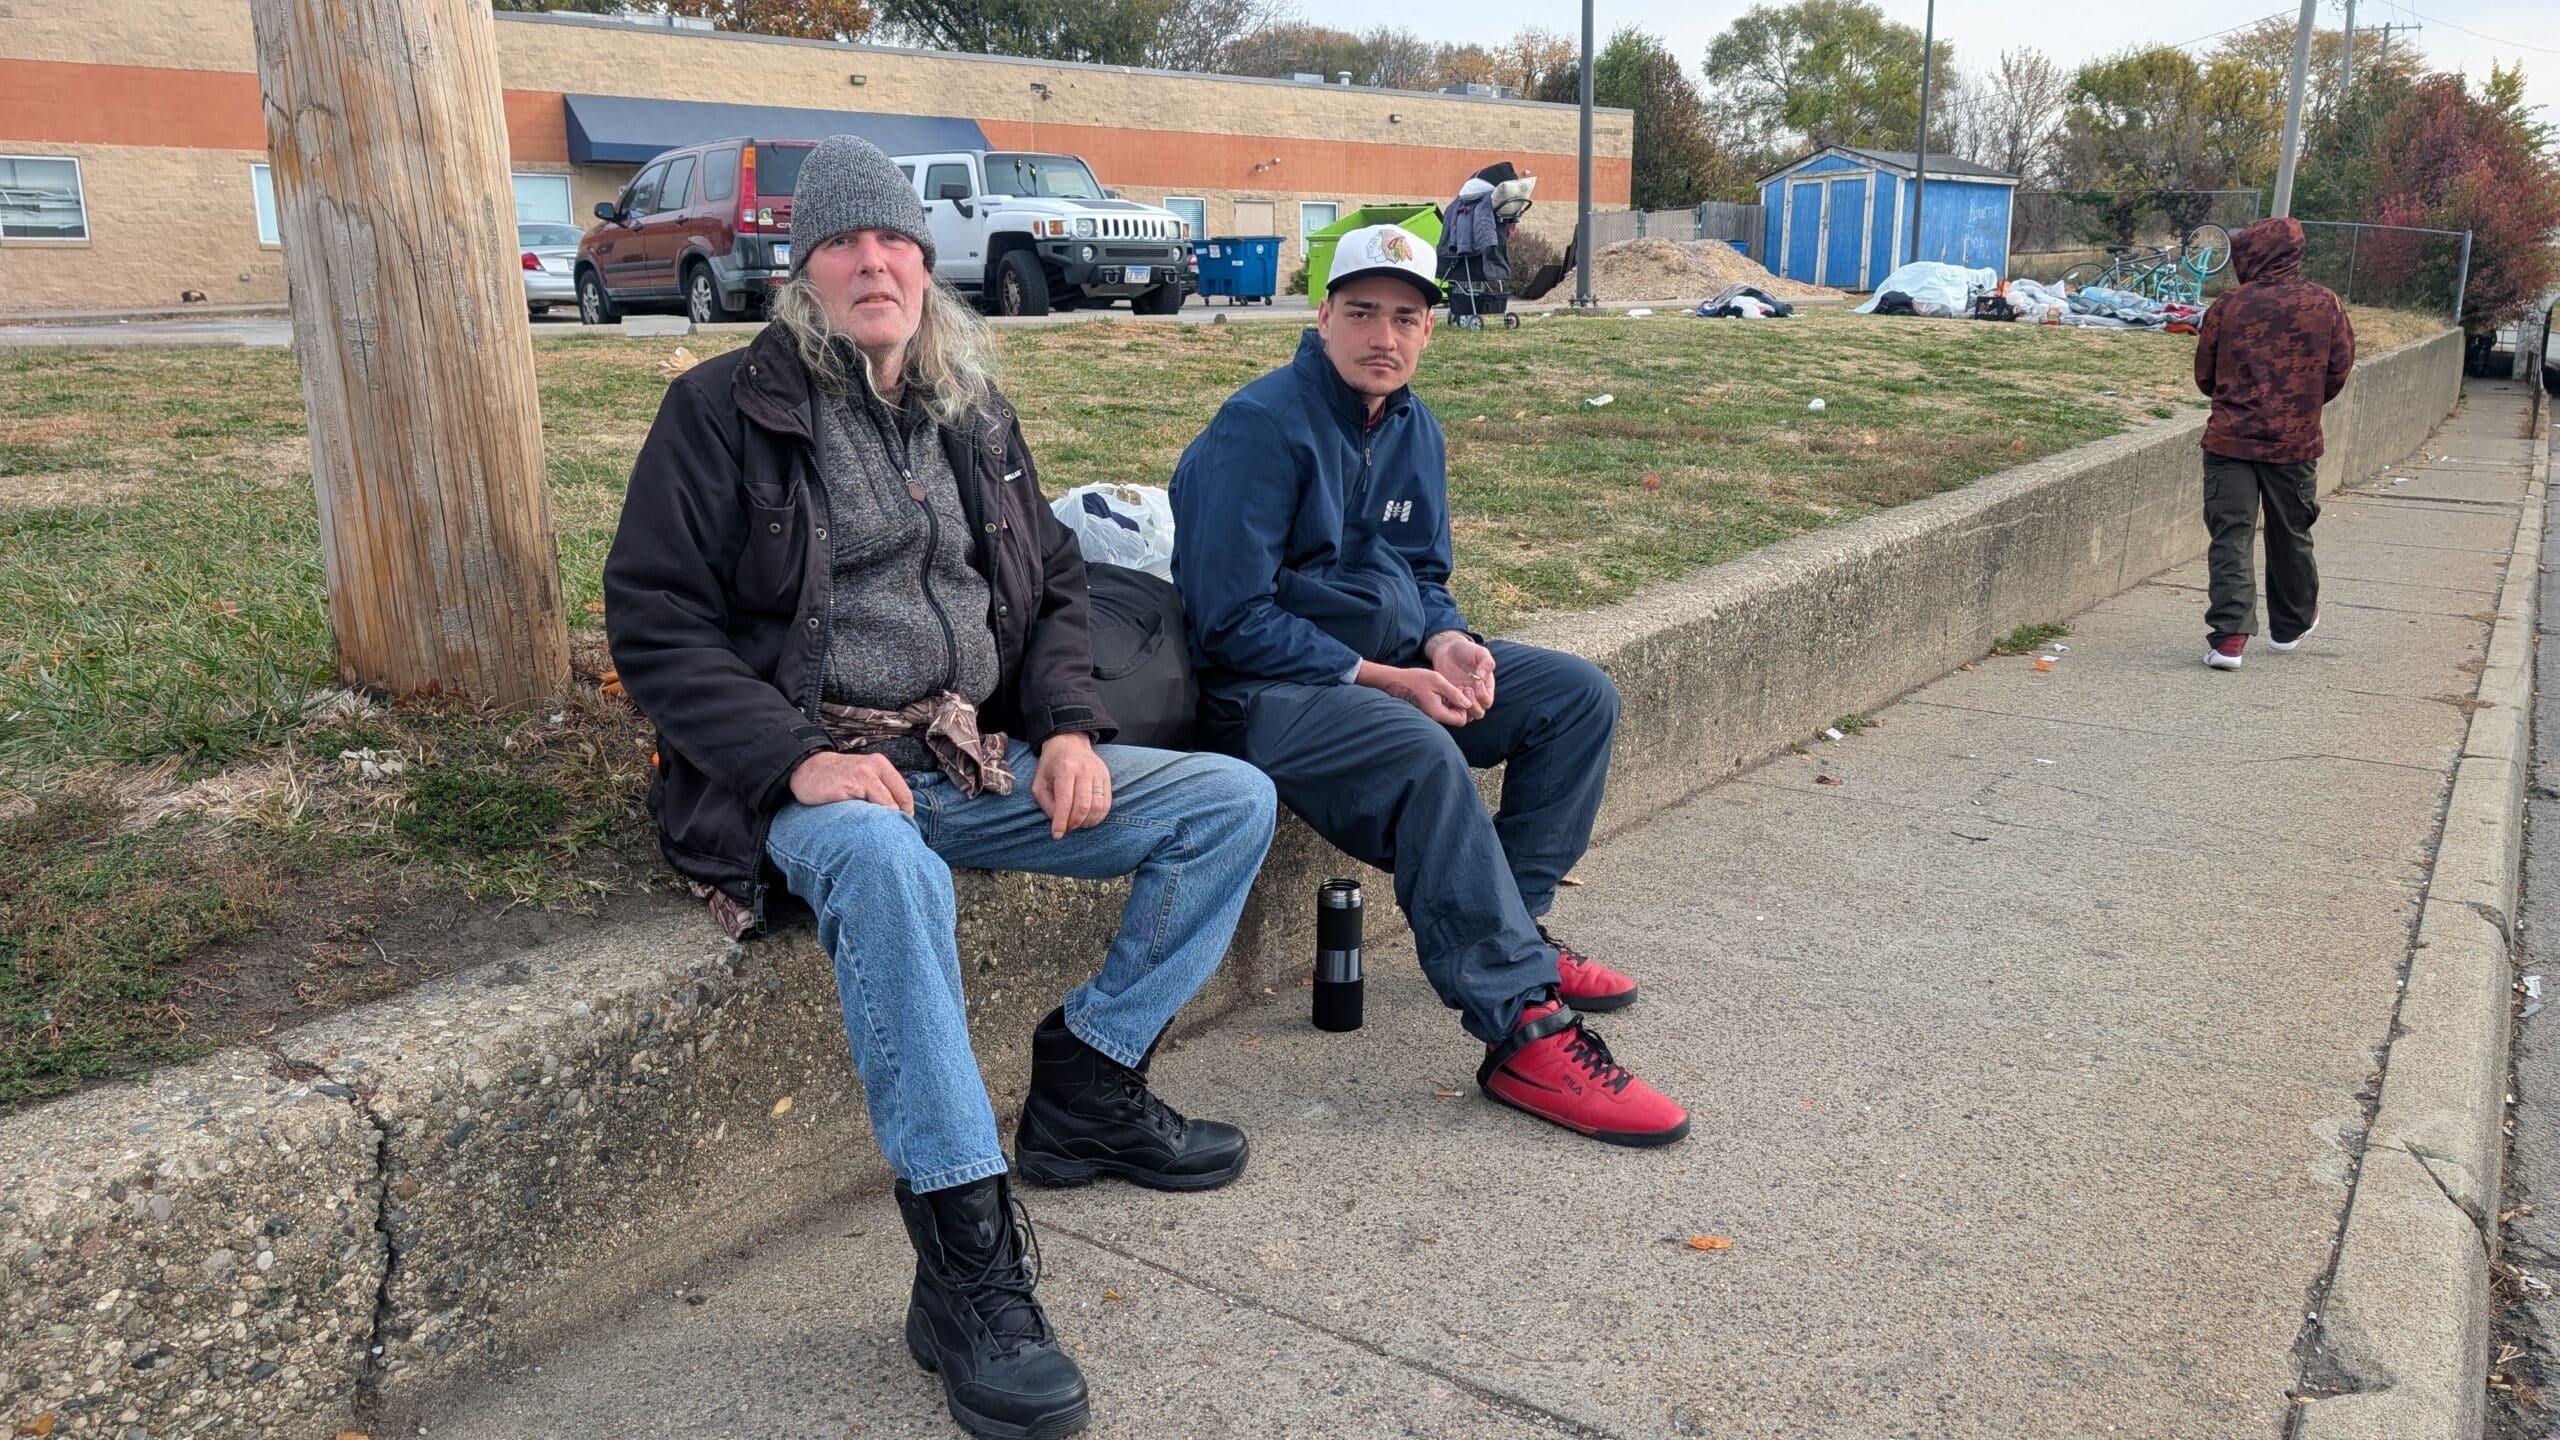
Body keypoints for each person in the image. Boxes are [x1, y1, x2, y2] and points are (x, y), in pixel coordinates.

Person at [603, 135, 1277, 1440]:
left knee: (1225, 803)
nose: (877, 263)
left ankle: (1089, 1081)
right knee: (886, 863)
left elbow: (1060, 583)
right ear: (803, 272)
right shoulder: (719, 412)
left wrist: (1072, 729)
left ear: (929, 264)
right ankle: (968, 1265)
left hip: (976, 753)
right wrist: (793, 758)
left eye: (898, 242)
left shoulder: (973, 407)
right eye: (847, 244)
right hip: (814, 774)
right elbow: (657, 624)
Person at [1168, 223, 1691, 1148]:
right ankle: (1524, 1029)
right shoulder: (1259, 426)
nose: (1384, 336)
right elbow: (1228, 620)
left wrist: (1449, 642)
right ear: (1322, 315)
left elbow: (1425, 574)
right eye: (1362, 311)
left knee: (1574, 696)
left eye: (1406, 318)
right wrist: (1387, 679)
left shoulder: (1414, 428)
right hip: (1265, 699)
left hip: (1393, 676)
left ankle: (1514, 929)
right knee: (1416, 749)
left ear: (1429, 332)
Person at [2192, 215, 2355, 671]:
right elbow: (2338, 369)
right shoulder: (2326, 304)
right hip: (2294, 442)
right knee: (2292, 532)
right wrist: (2302, 404)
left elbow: (2205, 375)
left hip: (2231, 442)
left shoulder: (2228, 306)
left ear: (2252, 255)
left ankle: (2229, 638)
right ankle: (2293, 622)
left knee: (2231, 536)